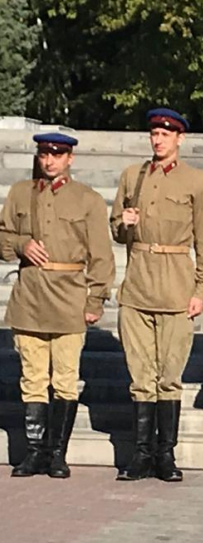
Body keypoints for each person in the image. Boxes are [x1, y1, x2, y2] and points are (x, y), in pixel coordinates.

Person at [110, 108, 203, 482]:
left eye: (166, 134)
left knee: (169, 376)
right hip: (138, 288)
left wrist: (201, 288)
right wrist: (122, 225)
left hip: (176, 289)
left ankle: (165, 455)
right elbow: (116, 229)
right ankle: (141, 454)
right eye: (154, 133)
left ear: (179, 139)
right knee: (140, 376)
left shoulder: (196, 181)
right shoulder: (132, 177)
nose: (158, 140)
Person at [1, 133, 114, 479]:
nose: (48, 160)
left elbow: (101, 256)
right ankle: (34, 453)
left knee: (65, 379)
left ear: (70, 158)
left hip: (69, 298)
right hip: (30, 297)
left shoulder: (87, 199)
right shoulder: (21, 193)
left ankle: (56, 455)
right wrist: (22, 244)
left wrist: (95, 299)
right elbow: (3, 238)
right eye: (44, 154)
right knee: (32, 379)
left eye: (57, 154)